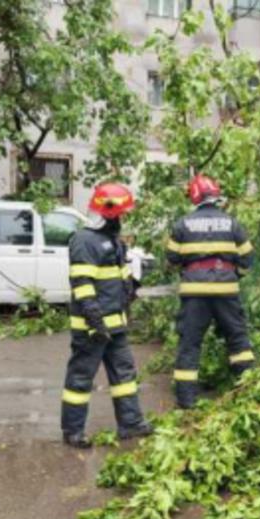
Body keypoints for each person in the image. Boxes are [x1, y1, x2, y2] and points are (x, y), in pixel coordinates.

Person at [61, 182, 151, 448]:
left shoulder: (113, 241)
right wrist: (94, 320)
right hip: (92, 327)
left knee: (124, 375)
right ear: (106, 213)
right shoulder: (84, 240)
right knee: (80, 378)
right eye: (119, 214)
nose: (121, 219)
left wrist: (131, 286)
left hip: (116, 326)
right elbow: (82, 284)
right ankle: (73, 431)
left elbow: (118, 274)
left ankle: (131, 423)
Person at [165, 174, 256, 408]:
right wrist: (236, 275)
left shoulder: (182, 224)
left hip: (194, 293)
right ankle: (247, 393)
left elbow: (172, 258)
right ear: (216, 196)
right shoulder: (232, 223)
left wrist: (187, 270)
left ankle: (186, 402)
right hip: (226, 291)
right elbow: (247, 257)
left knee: (190, 344)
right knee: (237, 340)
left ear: (194, 196)